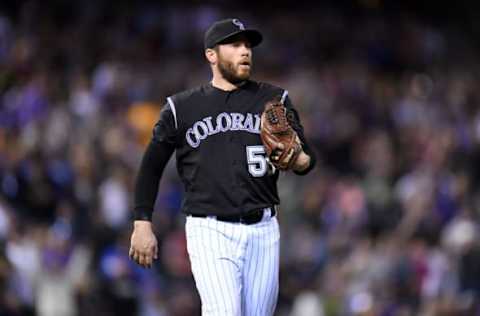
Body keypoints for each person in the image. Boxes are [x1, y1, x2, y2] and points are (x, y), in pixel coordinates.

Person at [129, 18, 316, 316]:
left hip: (264, 229)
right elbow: (151, 166)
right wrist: (142, 222)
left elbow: (307, 158)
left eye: (248, 45)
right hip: (210, 229)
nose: (245, 51)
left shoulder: (274, 99)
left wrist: (297, 158)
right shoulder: (182, 108)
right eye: (235, 44)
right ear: (211, 55)